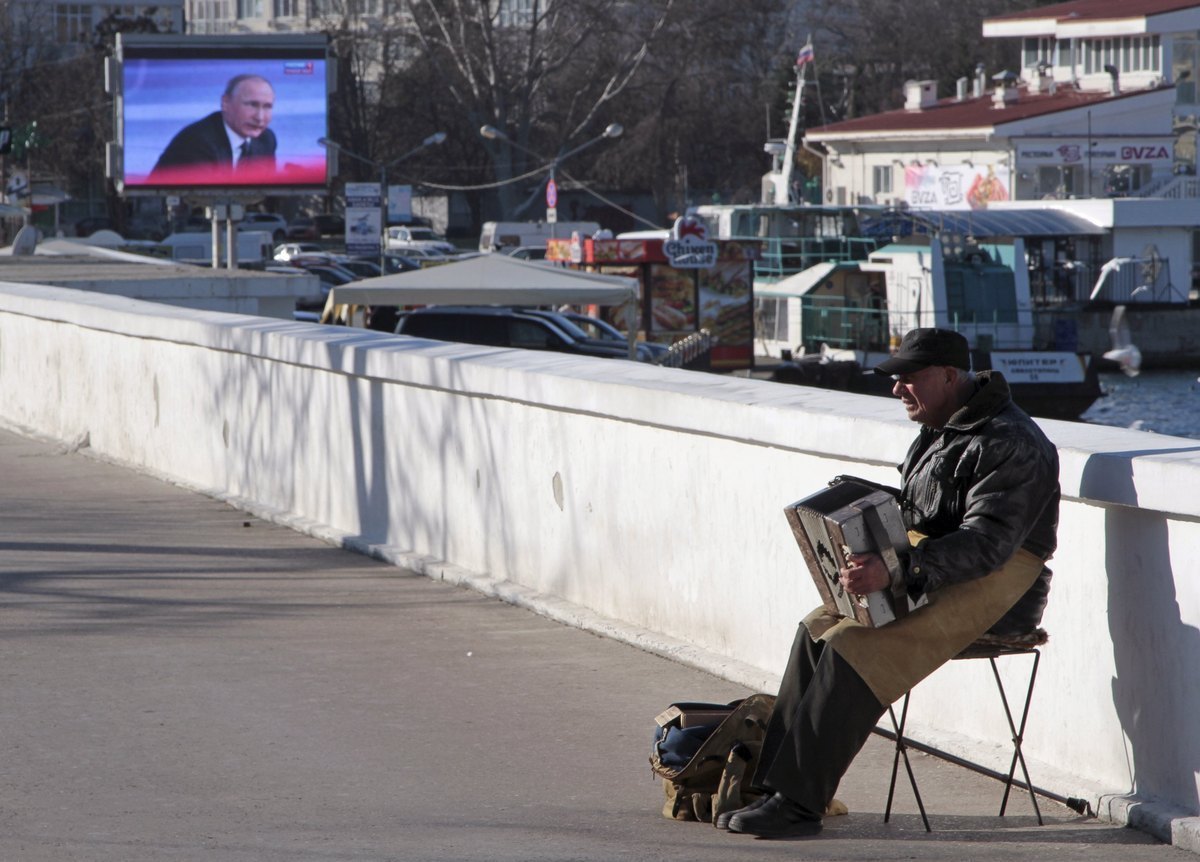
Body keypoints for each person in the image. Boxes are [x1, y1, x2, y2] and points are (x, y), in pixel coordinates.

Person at [721, 327, 1059, 839]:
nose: (897, 388)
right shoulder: (944, 421)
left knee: (854, 647)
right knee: (816, 632)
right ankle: (774, 787)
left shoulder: (1011, 441)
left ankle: (797, 804)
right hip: (938, 570)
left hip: (998, 591)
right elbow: (925, 509)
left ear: (949, 376)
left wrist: (898, 570)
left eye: (909, 378)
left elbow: (989, 544)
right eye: (895, 378)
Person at [150, 74, 277, 177]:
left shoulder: (266, 139)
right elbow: (204, 197)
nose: (260, 117)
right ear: (225, 103)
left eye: (267, 107)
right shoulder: (198, 142)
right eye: (252, 105)